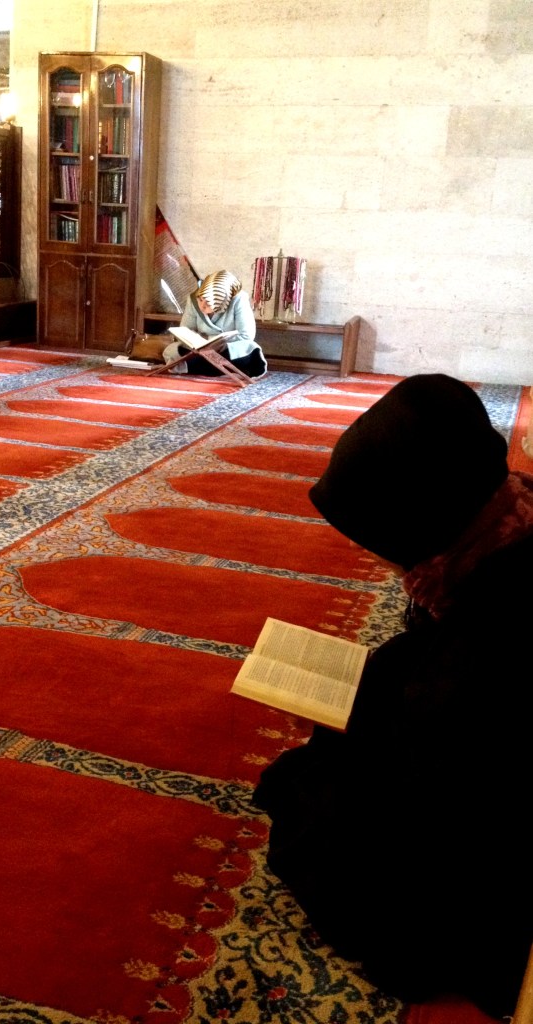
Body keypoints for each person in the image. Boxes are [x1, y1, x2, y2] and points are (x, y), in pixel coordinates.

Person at [252, 373, 533, 1020]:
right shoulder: (507, 518)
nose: (393, 564)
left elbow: (450, 788)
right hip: (476, 717)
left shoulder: (497, 630)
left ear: (427, 516)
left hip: (496, 834)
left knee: (317, 811)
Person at [162, 270, 267, 378]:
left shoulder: (239, 299)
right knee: (172, 350)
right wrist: (200, 344)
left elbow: (246, 335)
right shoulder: (193, 299)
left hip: (227, 349)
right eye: (200, 299)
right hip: (200, 350)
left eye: (207, 302)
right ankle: (214, 368)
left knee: (248, 350)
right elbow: (185, 331)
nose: (202, 305)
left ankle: (194, 367)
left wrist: (218, 344)